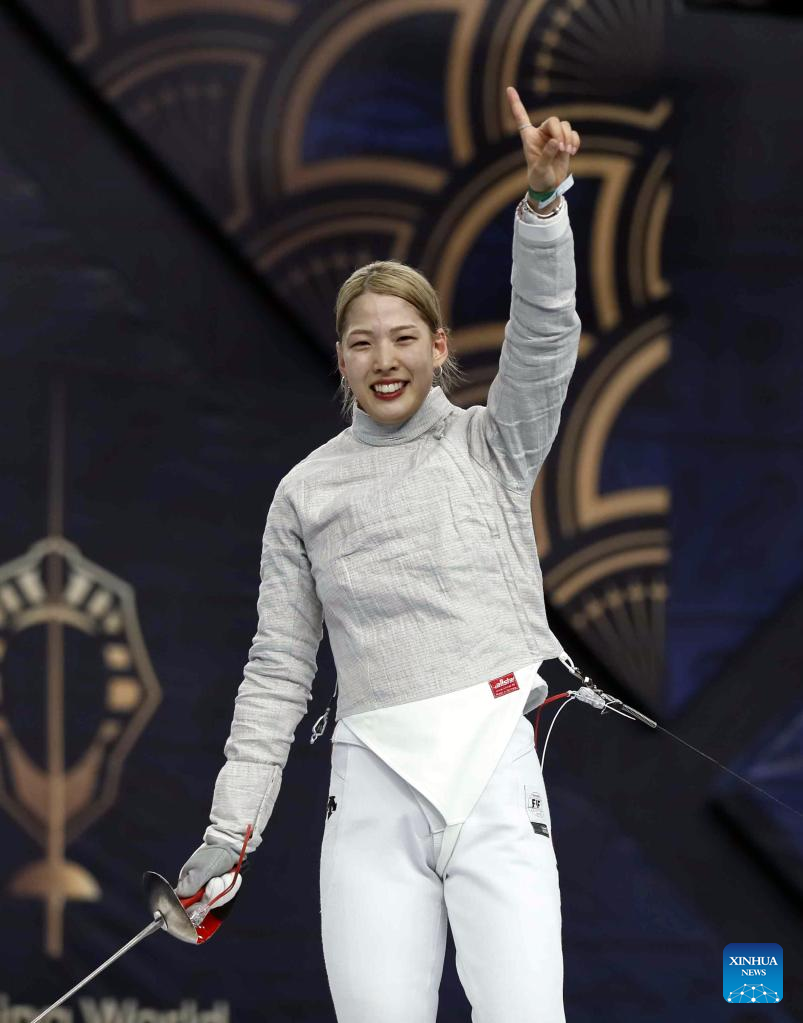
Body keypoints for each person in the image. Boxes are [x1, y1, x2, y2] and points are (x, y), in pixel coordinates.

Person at [177, 85, 582, 1022]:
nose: (384, 358)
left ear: (438, 347)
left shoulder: (491, 444)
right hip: (369, 798)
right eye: (362, 342)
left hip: (492, 782)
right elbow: (278, 670)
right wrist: (228, 831)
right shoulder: (305, 492)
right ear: (342, 359)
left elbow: (544, 337)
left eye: (404, 338)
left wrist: (543, 205)